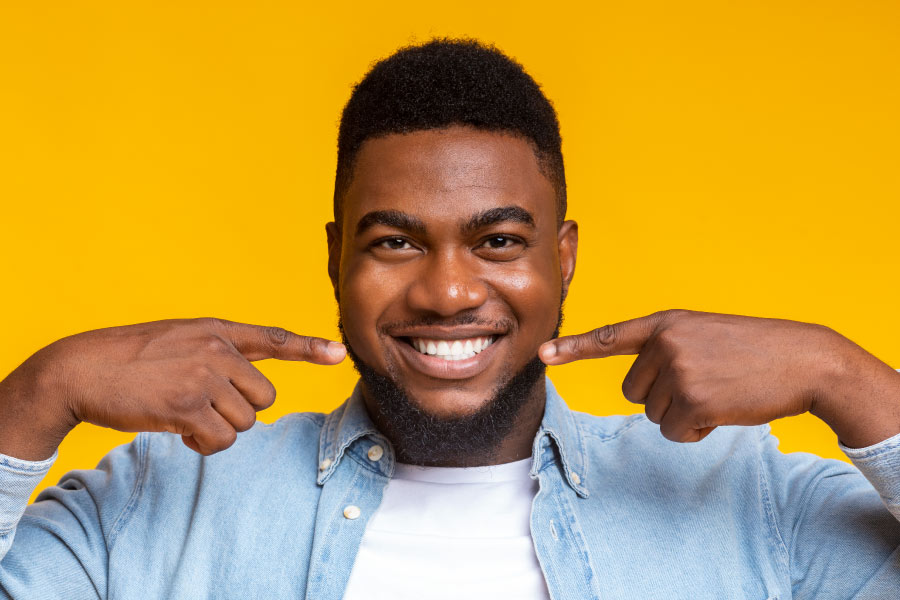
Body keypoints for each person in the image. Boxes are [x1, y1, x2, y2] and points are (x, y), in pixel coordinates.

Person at [1, 38, 898, 599]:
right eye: (394, 243)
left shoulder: (751, 503)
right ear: (334, 259)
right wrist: (39, 393)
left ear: (566, 258)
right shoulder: (154, 504)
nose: (448, 292)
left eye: (499, 242)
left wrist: (844, 375)